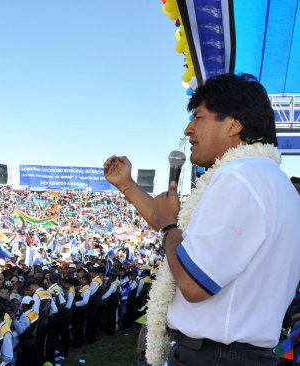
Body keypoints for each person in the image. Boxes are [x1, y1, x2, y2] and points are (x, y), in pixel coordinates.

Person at [104, 73, 300, 365]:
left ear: (234, 124)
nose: (187, 129)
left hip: (215, 356)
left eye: (198, 118)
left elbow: (194, 284)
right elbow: (184, 239)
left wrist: (170, 224)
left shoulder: (238, 177)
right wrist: (128, 186)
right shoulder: (270, 180)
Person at [10, 296, 37, 366]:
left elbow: (20, 330)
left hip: (27, 342)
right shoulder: (34, 312)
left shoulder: (26, 316)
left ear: (22, 305)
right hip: (33, 339)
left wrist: (14, 318)